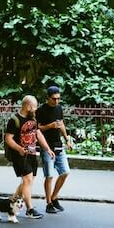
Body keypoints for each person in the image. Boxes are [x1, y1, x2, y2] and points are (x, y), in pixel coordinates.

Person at [5, 95, 54, 219]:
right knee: (27, 181)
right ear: (27, 106)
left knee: (28, 181)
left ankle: (12, 200)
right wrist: (19, 149)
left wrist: (47, 148)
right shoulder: (14, 120)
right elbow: (8, 139)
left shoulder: (33, 118)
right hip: (20, 155)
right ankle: (30, 209)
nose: (35, 109)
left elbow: (37, 133)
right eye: (34, 106)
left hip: (32, 154)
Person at [36, 85, 73, 213]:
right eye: (54, 99)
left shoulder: (59, 108)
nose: (56, 101)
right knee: (49, 176)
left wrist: (67, 139)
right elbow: (37, 129)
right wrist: (49, 126)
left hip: (58, 145)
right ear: (48, 98)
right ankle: (48, 203)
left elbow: (61, 123)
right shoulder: (41, 110)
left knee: (65, 172)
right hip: (46, 146)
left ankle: (54, 197)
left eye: (58, 99)